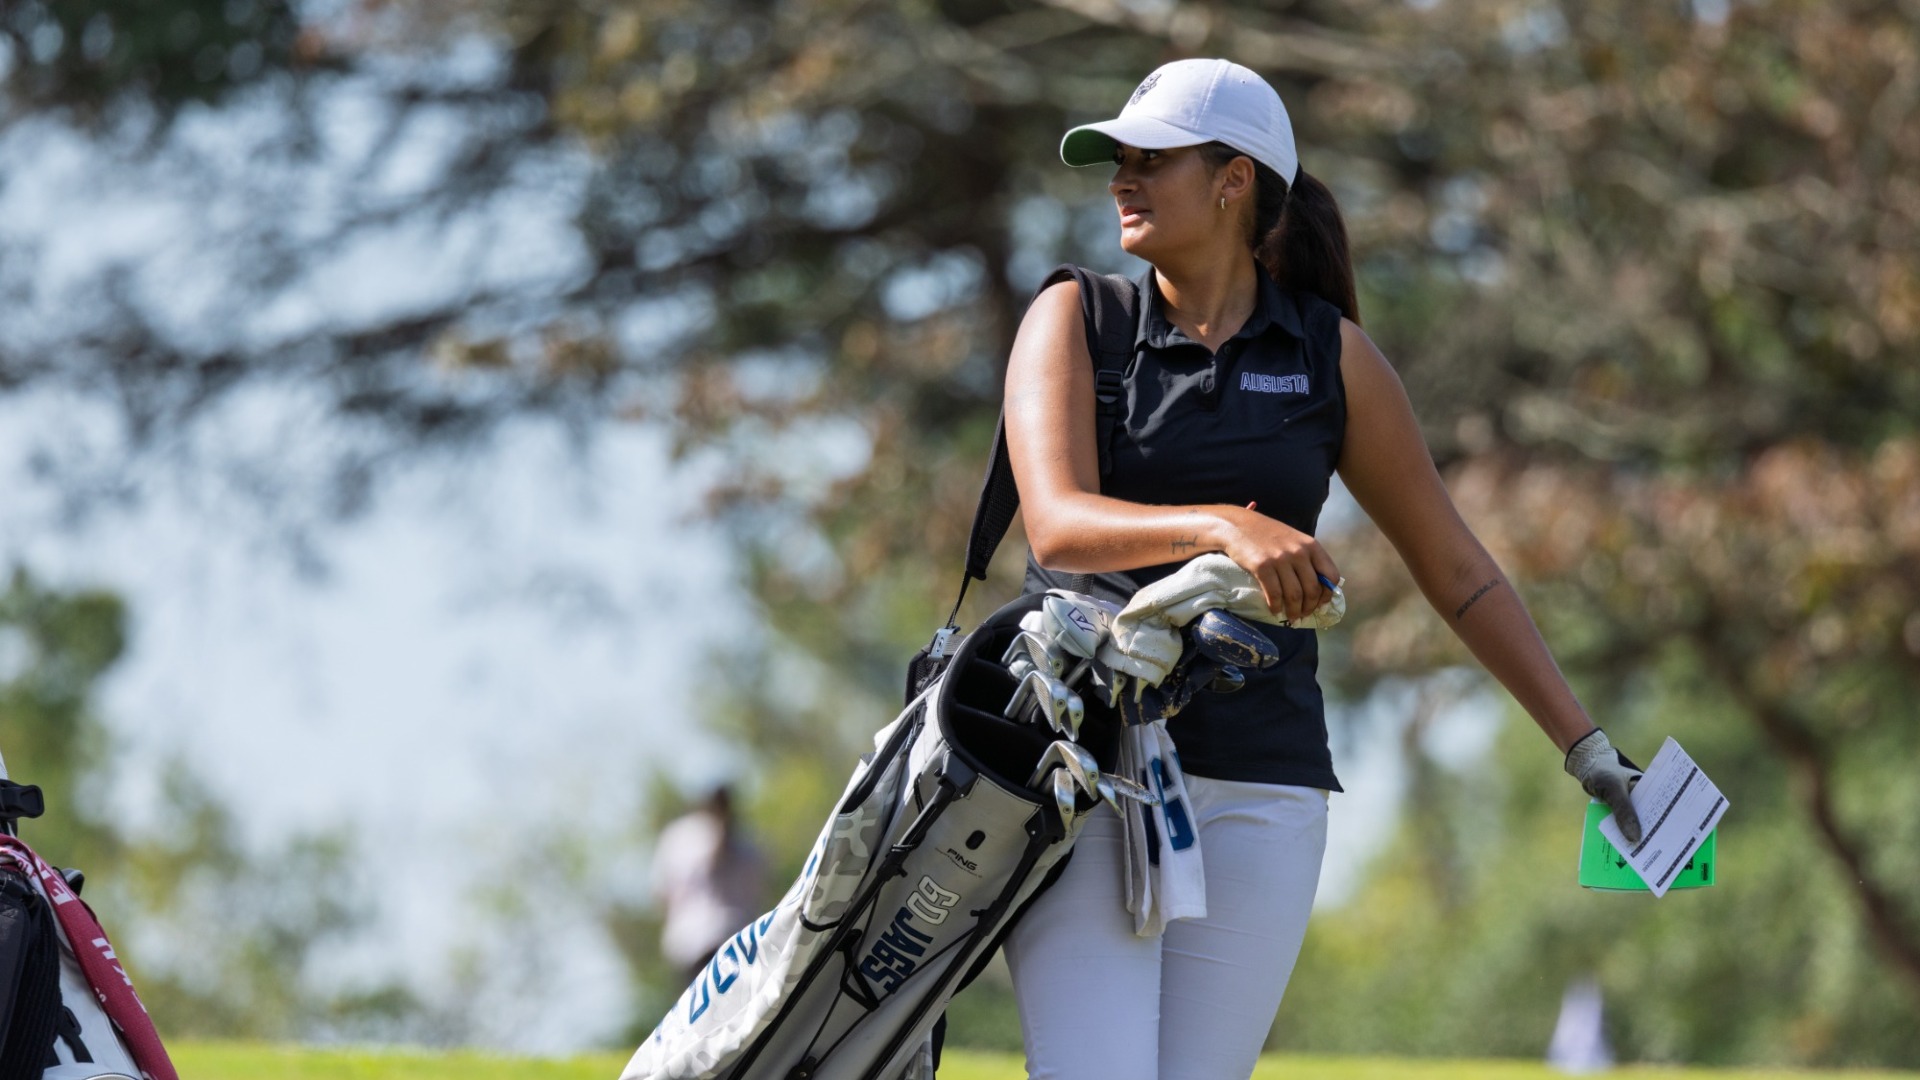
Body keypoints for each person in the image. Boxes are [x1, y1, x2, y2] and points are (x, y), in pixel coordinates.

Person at [999, 58, 1643, 1080]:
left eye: (1150, 159)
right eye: (1117, 158)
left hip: (1264, 784)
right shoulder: (1078, 320)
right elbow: (1059, 528)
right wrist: (1224, 529)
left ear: (1233, 179)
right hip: (1086, 767)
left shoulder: (1330, 355)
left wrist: (1586, 747)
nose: (1122, 178)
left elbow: (1457, 569)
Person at [650, 784, 766, 985]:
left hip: (723, 941)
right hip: (709, 944)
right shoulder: (685, 836)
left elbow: (661, 894)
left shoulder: (681, 836)